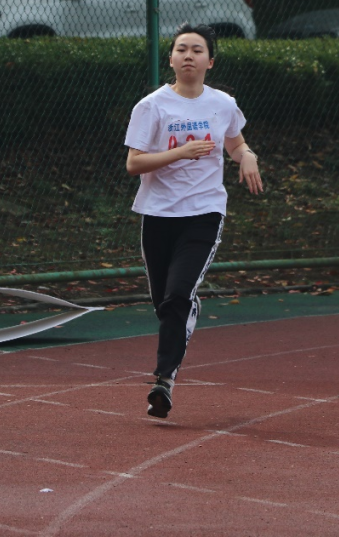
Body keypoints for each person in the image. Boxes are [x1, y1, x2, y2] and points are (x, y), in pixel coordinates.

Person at [124, 22, 263, 417]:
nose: (188, 55)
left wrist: (247, 156)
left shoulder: (223, 104)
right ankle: (186, 311)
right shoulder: (152, 106)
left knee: (177, 295)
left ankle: (163, 380)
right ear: (171, 59)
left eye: (197, 50)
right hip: (158, 213)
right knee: (164, 303)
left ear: (210, 62)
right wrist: (180, 153)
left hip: (204, 212)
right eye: (181, 49)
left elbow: (235, 143)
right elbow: (134, 163)